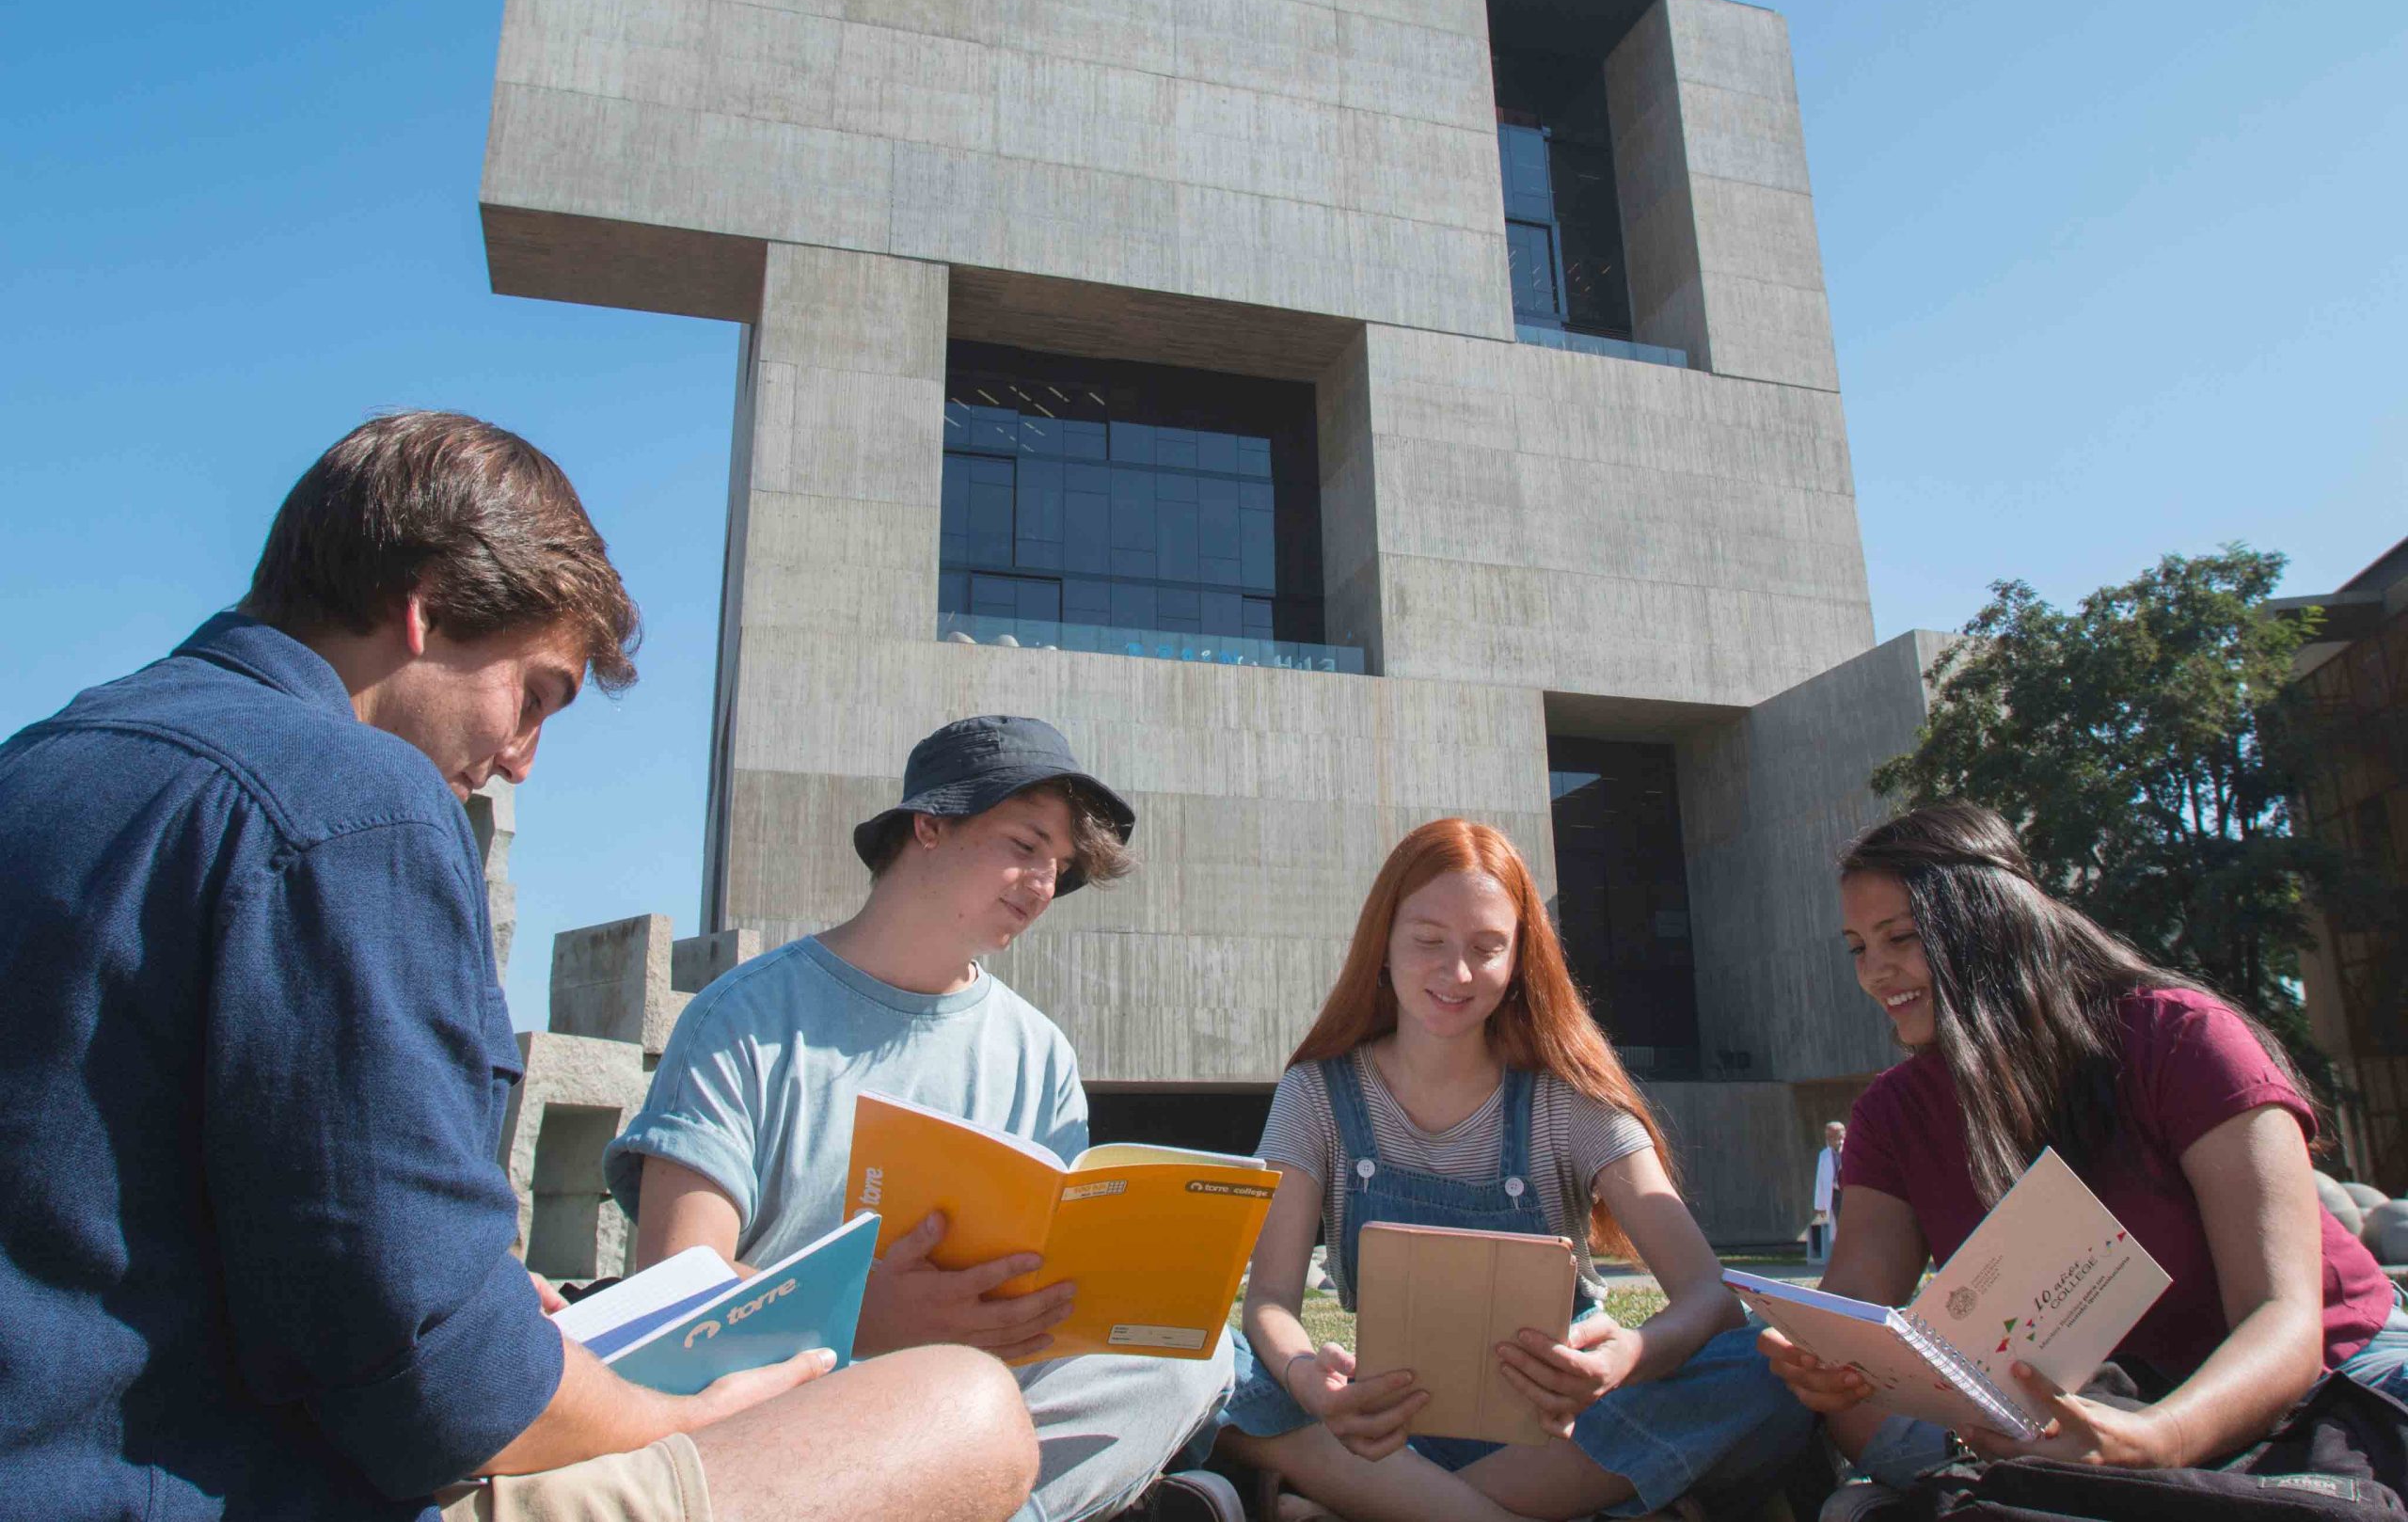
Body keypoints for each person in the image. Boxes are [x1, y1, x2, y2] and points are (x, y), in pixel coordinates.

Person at [0, 412, 1038, 1522]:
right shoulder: (355, 801)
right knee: (960, 1413)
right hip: (207, 1488)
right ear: (428, 606)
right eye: (535, 695)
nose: (521, 761)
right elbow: (437, 1388)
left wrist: (475, 1298)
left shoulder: (42, 763)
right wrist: (701, 1415)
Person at [607, 715, 1243, 1522]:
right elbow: (675, 1281)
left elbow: (1064, 1278)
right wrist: (863, 1314)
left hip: (986, 1395)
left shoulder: (1038, 1051)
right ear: (930, 824)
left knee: (1192, 1355)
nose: (1043, 883)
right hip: (791, 1403)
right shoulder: (744, 1016)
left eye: (1058, 866)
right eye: (1024, 844)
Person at [1761, 801, 2408, 1497]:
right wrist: (1822, 1358)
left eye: (1902, 937)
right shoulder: (1893, 1113)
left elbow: (2284, 1321)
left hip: (2330, 1379)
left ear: (1989, 919)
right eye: (1859, 946)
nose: (1876, 972)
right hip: (2088, 1406)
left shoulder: (2181, 1037)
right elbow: (1860, 1297)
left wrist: (2158, 1439)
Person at [1216, 818, 1810, 1521]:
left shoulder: (1567, 1094)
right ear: (1384, 943)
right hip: (1386, 1424)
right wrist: (1306, 1378)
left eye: (1486, 946)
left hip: (1562, 1425)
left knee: (1765, 1365)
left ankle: (1368, 1505)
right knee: (1210, 1362)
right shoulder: (1315, 1091)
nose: (1456, 972)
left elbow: (1708, 1293)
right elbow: (1270, 1302)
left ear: (1522, 955)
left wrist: (1630, 1354)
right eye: (1428, 941)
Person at [1809, 1121, 1846, 1262]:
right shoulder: (1824, 1155)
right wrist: (1820, 1205)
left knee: (1850, 1225)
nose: (1829, 1139)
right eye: (1828, 1136)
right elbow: (1820, 1181)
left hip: (1849, 1193)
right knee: (1838, 1227)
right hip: (1835, 1195)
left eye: (1832, 1136)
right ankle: (1842, 1258)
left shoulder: (1851, 1150)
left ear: (1842, 1135)